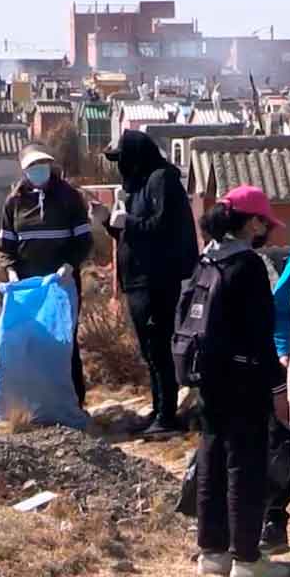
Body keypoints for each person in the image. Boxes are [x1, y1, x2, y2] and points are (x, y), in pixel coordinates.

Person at [193, 186, 288, 577]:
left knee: (211, 460)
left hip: (208, 377)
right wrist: (278, 387)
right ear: (251, 222)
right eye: (264, 221)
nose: (267, 229)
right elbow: (260, 334)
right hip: (245, 380)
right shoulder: (247, 265)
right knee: (244, 467)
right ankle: (247, 559)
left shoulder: (207, 259)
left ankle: (212, 553)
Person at [102, 129, 199, 436]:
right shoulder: (140, 185)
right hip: (139, 281)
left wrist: (126, 221)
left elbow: (162, 226)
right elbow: (135, 234)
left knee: (159, 348)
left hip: (159, 280)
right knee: (149, 350)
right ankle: (158, 409)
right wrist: (109, 221)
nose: (120, 167)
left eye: (122, 159)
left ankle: (167, 416)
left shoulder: (162, 180)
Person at [0, 143, 93, 406]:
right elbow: (5, 245)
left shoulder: (68, 197)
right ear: (24, 170)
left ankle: (71, 403)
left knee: (64, 343)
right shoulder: (14, 202)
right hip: (28, 287)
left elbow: (83, 239)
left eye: (43, 165)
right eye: (33, 167)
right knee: (31, 343)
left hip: (61, 284)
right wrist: (11, 271)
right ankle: (35, 403)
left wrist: (70, 265)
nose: (39, 171)